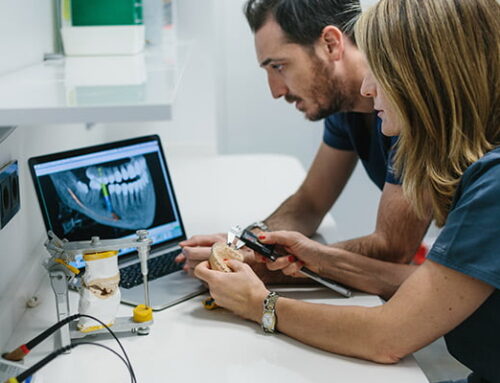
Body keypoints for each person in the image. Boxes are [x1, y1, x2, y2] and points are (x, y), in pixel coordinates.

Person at [194, 0, 500, 381]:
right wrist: (308, 258)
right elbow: (438, 285)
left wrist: (260, 304)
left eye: (382, 71)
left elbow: (387, 337)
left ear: (427, 78)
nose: (368, 89)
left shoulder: (493, 184)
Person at [176, 0, 429, 299]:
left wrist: (261, 264)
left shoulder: (407, 111)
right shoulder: (343, 106)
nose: (275, 91)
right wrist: (243, 244)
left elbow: (393, 248)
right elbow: (308, 203)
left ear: (331, 44)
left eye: (279, 66)